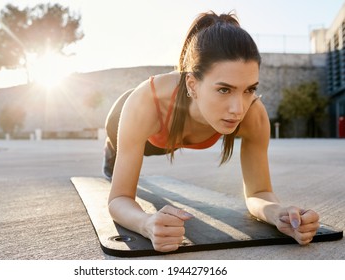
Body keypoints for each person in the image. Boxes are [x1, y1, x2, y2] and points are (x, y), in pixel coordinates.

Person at [103, 11, 320, 252]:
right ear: (192, 84)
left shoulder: (253, 113)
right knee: (117, 163)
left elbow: (259, 191)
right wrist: (146, 223)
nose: (238, 109)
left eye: (249, 89)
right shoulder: (146, 100)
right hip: (127, 124)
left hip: (171, 136)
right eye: (224, 90)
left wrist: (278, 213)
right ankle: (111, 151)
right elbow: (118, 198)